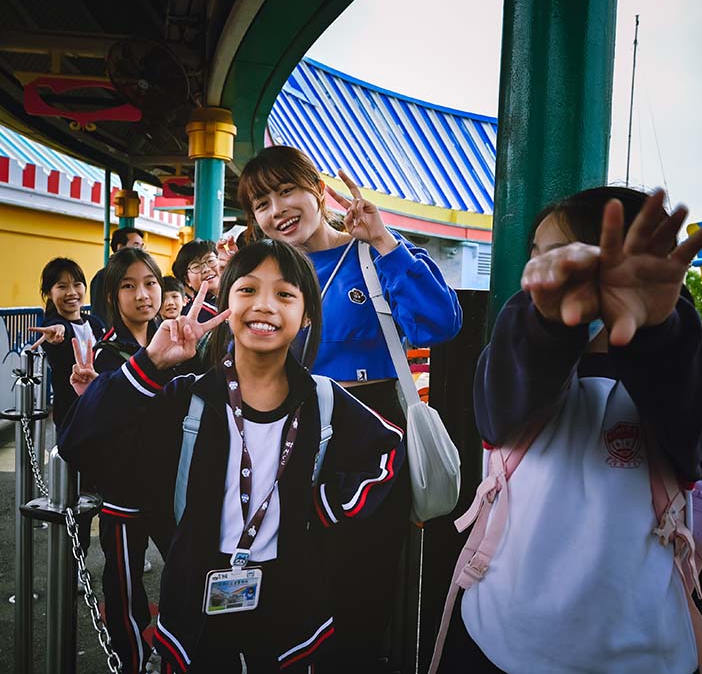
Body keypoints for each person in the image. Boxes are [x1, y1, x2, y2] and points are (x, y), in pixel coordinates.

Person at [60, 240, 404, 673]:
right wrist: (150, 362)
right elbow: (78, 444)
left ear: (307, 315)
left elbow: (388, 451)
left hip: (290, 610)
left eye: (284, 294)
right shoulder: (188, 400)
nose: (264, 305)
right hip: (194, 610)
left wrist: (323, 508)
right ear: (226, 304)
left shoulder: (323, 400)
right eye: (247, 290)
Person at [439, 187, 702, 673]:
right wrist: (549, 326)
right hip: (499, 636)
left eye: (565, 255)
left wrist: (660, 328)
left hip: (642, 653)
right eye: (539, 255)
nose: (545, 269)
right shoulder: (520, 353)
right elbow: (501, 405)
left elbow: (696, 414)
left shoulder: (683, 365)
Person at [235, 145, 462, 671]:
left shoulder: (371, 253)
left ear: (318, 191)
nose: (277, 210)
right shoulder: (266, 273)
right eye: (262, 203)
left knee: (360, 592)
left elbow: (439, 324)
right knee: (286, 586)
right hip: (287, 435)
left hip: (369, 440)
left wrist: (383, 240)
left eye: (287, 191)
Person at [70, 247, 171, 674]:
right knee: (124, 587)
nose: (143, 295)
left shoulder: (176, 340)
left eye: (150, 283)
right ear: (112, 297)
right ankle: (131, 661)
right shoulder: (105, 354)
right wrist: (98, 395)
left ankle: (175, 649)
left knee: (186, 573)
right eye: (129, 286)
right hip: (124, 494)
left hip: (172, 488)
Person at [29, 257, 106, 431]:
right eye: (62, 286)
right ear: (49, 293)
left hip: (101, 409)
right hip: (71, 416)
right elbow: (61, 330)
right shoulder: (53, 327)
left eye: (77, 284)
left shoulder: (95, 323)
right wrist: (58, 331)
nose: (72, 292)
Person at [91, 227, 146, 321]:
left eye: (142, 246)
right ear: (120, 247)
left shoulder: (143, 273)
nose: (141, 251)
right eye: (136, 246)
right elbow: (99, 313)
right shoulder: (103, 276)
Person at [172, 239, 220, 322]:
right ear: (187, 280)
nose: (206, 269)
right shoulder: (194, 314)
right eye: (196, 266)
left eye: (210, 261)